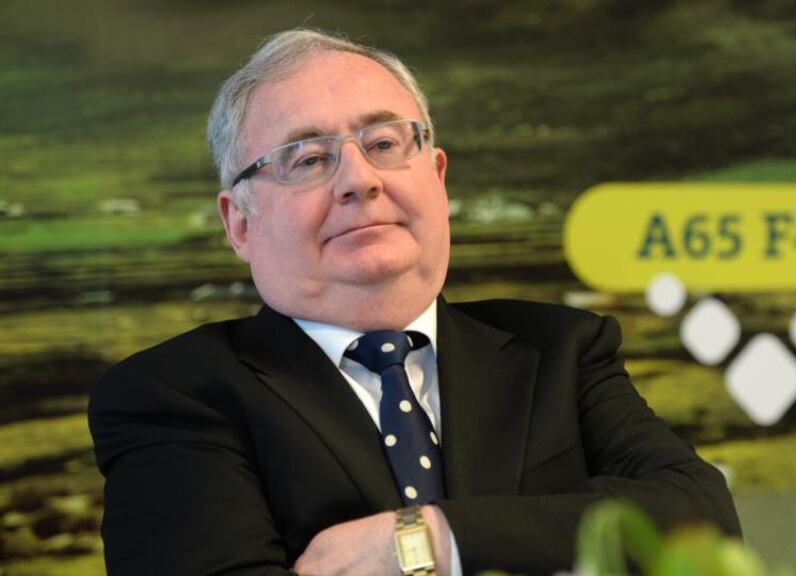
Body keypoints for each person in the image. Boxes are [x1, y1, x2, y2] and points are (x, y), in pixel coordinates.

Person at [88, 27, 740, 576]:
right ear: (240, 224)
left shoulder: (562, 350)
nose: (359, 181)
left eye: (383, 144)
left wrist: (427, 538)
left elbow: (697, 520)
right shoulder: (171, 396)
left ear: (436, 174)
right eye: (308, 158)